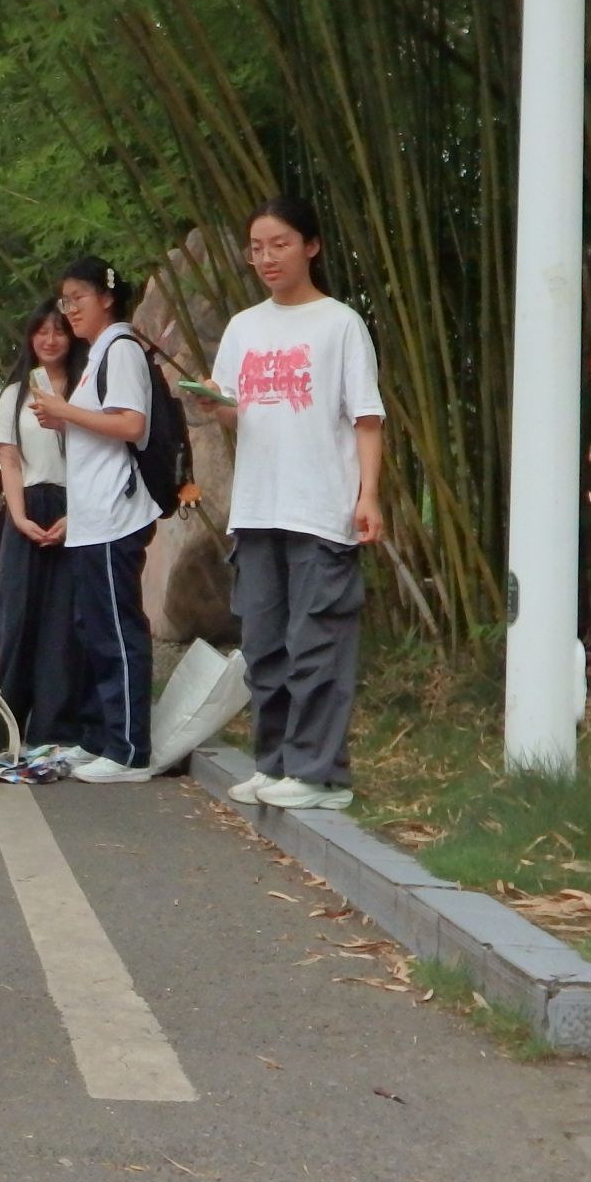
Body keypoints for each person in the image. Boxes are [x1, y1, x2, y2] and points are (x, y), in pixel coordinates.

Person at [207, 195, 385, 811]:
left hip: (320, 506)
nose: (266, 258)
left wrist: (370, 495)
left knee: (317, 641)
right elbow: (238, 413)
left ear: (311, 246)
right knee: (263, 642)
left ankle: (320, 774)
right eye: (256, 248)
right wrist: (213, 404)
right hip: (258, 507)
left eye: (279, 243)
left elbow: (367, 418)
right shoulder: (243, 326)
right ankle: (276, 761)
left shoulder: (340, 324)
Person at [28, 256, 160, 784]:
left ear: (107, 296)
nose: (71, 310)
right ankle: (101, 736)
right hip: (92, 515)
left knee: (115, 629)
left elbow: (130, 424)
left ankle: (130, 750)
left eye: (78, 299)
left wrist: (63, 411)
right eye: (65, 301)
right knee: (92, 627)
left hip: (115, 514)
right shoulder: (96, 355)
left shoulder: (121, 348)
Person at [0, 302, 90, 745]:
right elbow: (8, 460)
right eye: (41, 331)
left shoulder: (88, 392)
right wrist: (19, 517)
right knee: (17, 619)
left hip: (78, 506)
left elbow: (97, 459)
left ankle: (56, 730)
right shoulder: (15, 394)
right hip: (26, 507)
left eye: (60, 331)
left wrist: (78, 514)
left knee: (64, 623)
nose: (50, 340)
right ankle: (6, 730)